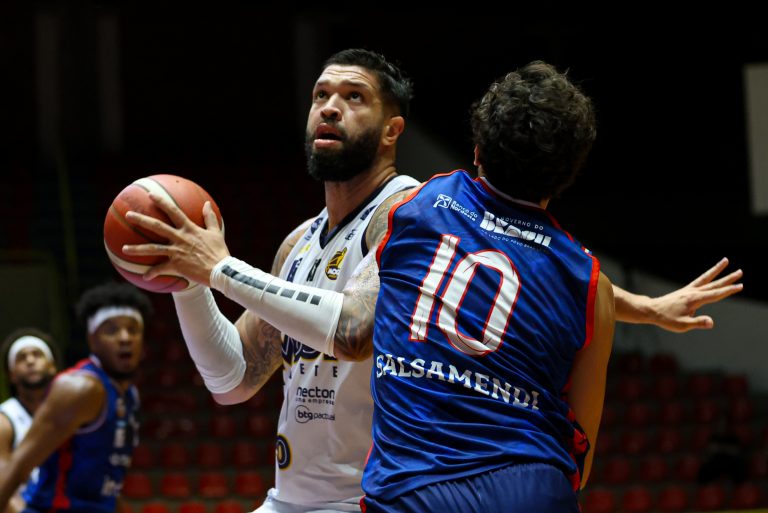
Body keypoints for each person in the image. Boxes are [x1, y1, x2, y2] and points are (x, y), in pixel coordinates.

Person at [122, 50, 743, 512]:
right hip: (296, 497)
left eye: (354, 97)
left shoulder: (415, 209)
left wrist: (220, 267)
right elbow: (232, 379)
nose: (330, 107)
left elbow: (357, 329)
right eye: (320, 94)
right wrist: (187, 282)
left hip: (375, 494)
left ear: (394, 130)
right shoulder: (299, 243)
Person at [0, 282, 151, 513]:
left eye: (133, 330)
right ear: (92, 340)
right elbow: (17, 467)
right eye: (111, 330)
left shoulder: (129, 395)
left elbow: (104, 486)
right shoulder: (79, 388)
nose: (124, 338)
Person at [0, 329, 59, 513]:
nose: (30, 361)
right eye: (21, 357)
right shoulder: (5, 420)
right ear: (12, 374)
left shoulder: (70, 412)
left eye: (37, 354)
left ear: (52, 366)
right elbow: (3, 490)